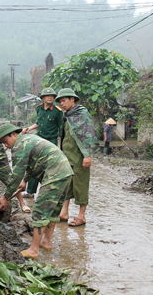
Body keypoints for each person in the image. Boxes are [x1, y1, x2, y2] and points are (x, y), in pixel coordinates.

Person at [0, 124, 73, 259]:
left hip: (54, 172)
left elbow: (16, 176)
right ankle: (46, 242)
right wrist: (25, 180)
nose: (6, 146)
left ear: (13, 134)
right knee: (52, 209)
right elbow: (33, 162)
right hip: (65, 171)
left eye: (5, 142)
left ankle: (34, 249)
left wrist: (5, 197)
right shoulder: (28, 139)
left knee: (40, 210)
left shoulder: (19, 146)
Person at [56, 88, 99, 227]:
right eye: (60, 101)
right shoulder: (67, 115)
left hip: (80, 157)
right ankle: (64, 213)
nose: (62, 103)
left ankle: (81, 216)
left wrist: (88, 155)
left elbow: (88, 134)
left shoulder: (82, 114)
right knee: (67, 184)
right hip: (67, 155)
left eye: (64, 100)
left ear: (72, 99)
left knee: (81, 185)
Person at [21, 87, 63, 198]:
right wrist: (28, 129)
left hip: (51, 141)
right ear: (43, 98)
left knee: (50, 167)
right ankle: (30, 191)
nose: (50, 97)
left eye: (52, 96)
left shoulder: (57, 111)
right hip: (39, 140)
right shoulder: (39, 109)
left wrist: (60, 146)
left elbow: (61, 129)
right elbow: (38, 123)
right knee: (34, 164)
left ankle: (49, 193)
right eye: (47, 96)